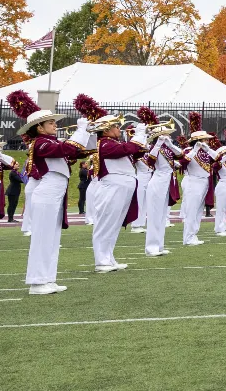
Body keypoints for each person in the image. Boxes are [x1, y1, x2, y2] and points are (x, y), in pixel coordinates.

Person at [8, 91, 78, 295]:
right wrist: (80, 134)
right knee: (42, 237)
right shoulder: (40, 142)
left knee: (52, 238)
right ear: (39, 127)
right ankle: (37, 282)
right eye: (50, 123)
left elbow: (71, 152)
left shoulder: (51, 141)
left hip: (55, 193)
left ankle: (48, 277)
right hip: (47, 193)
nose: (55, 125)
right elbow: (63, 150)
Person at [91, 112, 148, 272]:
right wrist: (139, 135)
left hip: (121, 186)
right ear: (106, 129)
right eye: (116, 126)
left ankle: (108, 258)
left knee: (114, 225)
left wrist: (143, 139)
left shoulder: (112, 143)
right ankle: (101, 261)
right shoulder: (104, 144)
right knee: (106, 224)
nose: (119, 129)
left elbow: (136, 151)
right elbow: (126, 149)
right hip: (112, 187)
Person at [143, 114, 184, 257]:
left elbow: (181, 155)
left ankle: (159, 245)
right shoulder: (154, 147)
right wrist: (159, 143)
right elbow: (150, 160)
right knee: (154, 216)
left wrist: (170, 144)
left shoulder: (168, 148)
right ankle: (151, 247)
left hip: (167, 183)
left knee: (162, 216)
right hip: (157, 182)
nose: (168, 136)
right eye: (165, 134)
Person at [180, 127, 217, 246]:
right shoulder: (188, 151)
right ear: (199, 141)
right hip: (193, 182)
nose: (207, 142)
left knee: (198, 211)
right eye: (205, 140)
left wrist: (208, 149)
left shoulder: (206, 152)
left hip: (204, 182)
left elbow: (218, 158)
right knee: (192, 211)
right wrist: (194, 150)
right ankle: (188, 237)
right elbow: (183, 163)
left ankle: (193, 234)